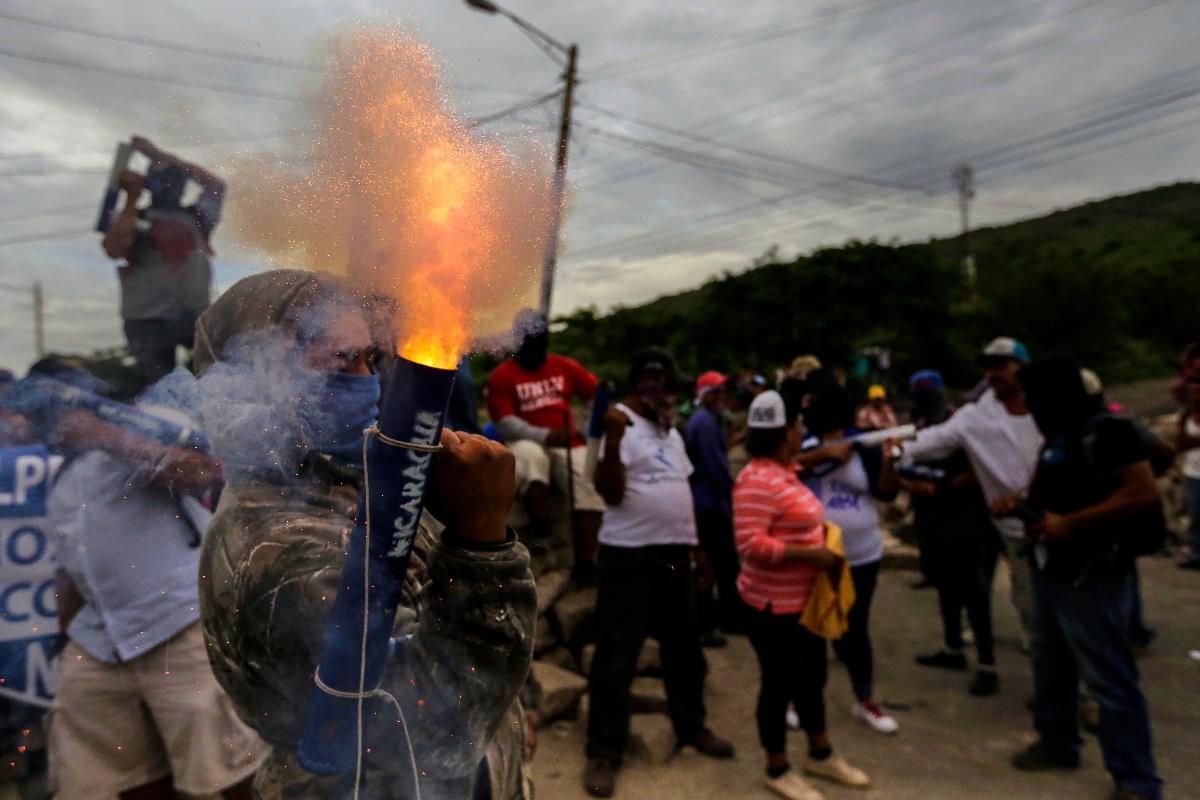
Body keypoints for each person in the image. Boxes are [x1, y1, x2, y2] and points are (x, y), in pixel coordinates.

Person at [193, 270, 537, 799]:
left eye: (368, 359)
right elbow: (432, 727)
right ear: (257, 379)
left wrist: (508, 716)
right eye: (340, 362)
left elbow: (464, 668)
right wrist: (481, 538)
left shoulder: (345, 480)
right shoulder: (282, 548)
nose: (367, 382)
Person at [46, 384, 266, 799]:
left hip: (180, 626)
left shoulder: (147, 425)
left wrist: (101, 434)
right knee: (108, 775)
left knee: (225, 768)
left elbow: (199, 471)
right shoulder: (62, 472)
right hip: (100, 643)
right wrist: (60, 633)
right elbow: (73, 568)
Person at [994, 354, 1163, 800]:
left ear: (1055, 393)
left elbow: (1142, 492)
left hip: (1094, 574)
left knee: (1109, 679)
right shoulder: (1058, 433)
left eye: (1033, 394)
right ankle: (1058, 744)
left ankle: (1137, 781)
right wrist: (1020, 504)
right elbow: (1054, 490)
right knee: (1051, 667)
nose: (1028, 404)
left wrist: (1071, 524)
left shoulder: (1107, 431)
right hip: (1052, 569)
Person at [583, 349, 734, 798]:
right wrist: (613, 439)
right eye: (667, 387)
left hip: (674, 553)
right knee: (617, 654)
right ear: (647, 382)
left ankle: (691, 725)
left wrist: (697, 548)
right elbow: (608, 492)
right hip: (629, 554)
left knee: (684, 645)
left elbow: (680, 487)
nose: (672, 396)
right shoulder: (618, 422)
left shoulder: (669, 429)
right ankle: (603, 751)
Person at [735, 389, 870, 800]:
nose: (801, 431)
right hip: (772, 606)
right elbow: (750, 544)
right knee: (778, 685)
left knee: (812, 678)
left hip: (804, 601)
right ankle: (777, 768)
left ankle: (820, 753)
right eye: (797, 425)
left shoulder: (783, 469)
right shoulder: (756, 480)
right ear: (787, 432)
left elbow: (801, 464)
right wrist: (811, 555)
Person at [901, 337, 1042, 639]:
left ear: (1023, 367)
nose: (992, 374)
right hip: (992, 514)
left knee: (1036, 589)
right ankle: (985, 629)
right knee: (987, 577)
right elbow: (930, 441)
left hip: (1042, 518)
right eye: (988, 368)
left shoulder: (1048, 406)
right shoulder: (975, 416)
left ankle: (1037, 635)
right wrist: (891, 449)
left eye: (1000, 365)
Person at [795, 383, 900, 735]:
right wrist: (822, 455)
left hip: (861, 554)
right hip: (816, 555)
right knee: (811, 629)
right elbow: (784, 472)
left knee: (855, 629)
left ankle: (864, 699)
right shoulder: (805, 446)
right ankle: (801, 699)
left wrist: (890, 462)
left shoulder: (864, 446)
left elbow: (886, 491)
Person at [486, 312, 605, 581]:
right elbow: (504, 422)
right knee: (529, 458)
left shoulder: (564, 366)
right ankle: (541, 528)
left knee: (586, 482)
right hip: (527, 440)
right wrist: (545, 435)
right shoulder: (502, 376)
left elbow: (597, 396)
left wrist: (586, 430)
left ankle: (587, 562)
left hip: (567, 440)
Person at [902, 370, 1000, 695]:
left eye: (927, 396)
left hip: (963, 516)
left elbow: (979, 467)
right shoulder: (918, 422)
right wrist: (911, 485)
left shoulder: (960, 422)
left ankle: (987, 664)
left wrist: (943, 488)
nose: (924, 402)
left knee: (973, 592)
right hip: (930, 518)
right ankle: (952, 647)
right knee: (944, 586)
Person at [101, 136, 224, 386]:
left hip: (194, 314)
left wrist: (159, 155)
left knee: (219, 376)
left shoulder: (197, 218)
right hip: (147, 320)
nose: (170, 186)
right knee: (157, 388)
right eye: (163, 179)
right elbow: (114, 248)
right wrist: (132, 197)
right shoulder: (135, 216)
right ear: (150, 184)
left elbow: (215, 186)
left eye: (176, 179)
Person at [686, 370, 740, 643]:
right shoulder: (705, 421)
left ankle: (723, 618)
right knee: (716, 563)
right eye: (716, 392)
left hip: (709, 500)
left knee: (720, 562)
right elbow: (715, 466)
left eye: (723, 392)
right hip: (708, 503)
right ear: (704, 395)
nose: (722, 397)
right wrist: (732, 498)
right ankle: (712, 623)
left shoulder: (708, 419)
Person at [1175, 366, 1200, 569]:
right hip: (1194, 472)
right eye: (1191, 391)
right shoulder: (1186, 415)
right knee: (1196, 517)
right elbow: (1181, 443)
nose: (1194, 395)